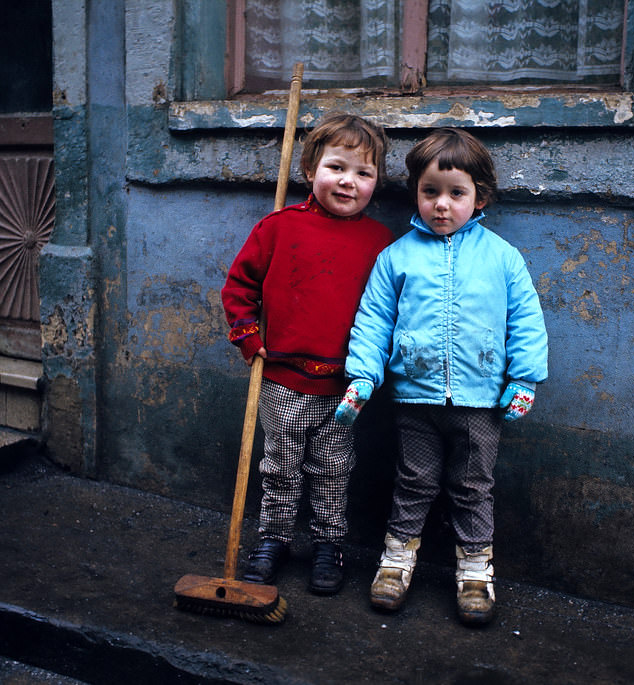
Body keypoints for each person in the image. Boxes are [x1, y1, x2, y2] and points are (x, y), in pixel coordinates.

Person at [334, 127, 548, 625]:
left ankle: (475, 570)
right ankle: (395, 561)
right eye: (430, 192)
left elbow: (526, 321)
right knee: (413, 482)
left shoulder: (501, 258)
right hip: (415, 400)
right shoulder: (397, 257)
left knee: (472, 486)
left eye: (457, 193)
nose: (442, 206)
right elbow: (373, 320)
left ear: (480, 197)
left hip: (482, 402)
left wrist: (524, 381)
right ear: (416, 193)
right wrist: (362, 378)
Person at [221, 112, 393, 595]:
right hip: (280, 377)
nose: (348, 181)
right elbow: (239, 287)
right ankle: (273, 539)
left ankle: (328, 544)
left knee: (334, 469)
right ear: (310, 168)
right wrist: (250, 339)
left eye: (364, 173)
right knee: (279, 464)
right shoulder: (278, 228)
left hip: (347, 384)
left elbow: (389, 312)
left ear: (377, 182)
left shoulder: (381, 243)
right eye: (337, 167)